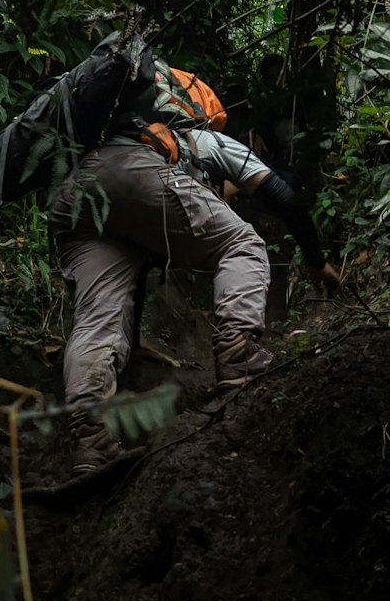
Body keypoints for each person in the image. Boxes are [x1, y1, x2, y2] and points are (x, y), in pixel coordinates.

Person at [48, 45, 342, 475]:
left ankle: (91, 442)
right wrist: (317, 261)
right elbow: (284, 198)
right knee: (243, 244)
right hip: (133, 173)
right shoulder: (202, 138)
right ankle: (239, 355)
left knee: (98, 317)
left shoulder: (111, 131)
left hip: (73, 192)